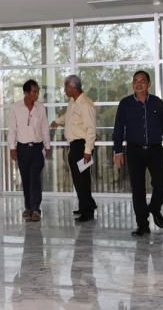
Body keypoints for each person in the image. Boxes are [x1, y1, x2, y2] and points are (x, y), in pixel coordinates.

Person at [113, 70, 163, 236]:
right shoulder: (125, 104)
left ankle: (154, 208)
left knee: (161, 183)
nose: (138, 84)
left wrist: (154, 134)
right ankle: (142, 225)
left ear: (149, 84)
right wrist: (118, 151)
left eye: (142, 80)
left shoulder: (157, 103)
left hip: (154, 150)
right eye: (135, 81)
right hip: (134, 151)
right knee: (137, 188)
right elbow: (118, 128)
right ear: (133, 84)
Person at [50, 75, 97, 222]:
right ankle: (87, 205)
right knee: (79, 179)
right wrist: (57, 121)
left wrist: (87, 151)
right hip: (74, 146)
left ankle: (87, 212)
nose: (64, 90)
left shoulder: (85, 104)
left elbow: (91, 129)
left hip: (82, 147)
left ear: (72, 87)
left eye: (66, 87)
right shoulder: (73, 102)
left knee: (82, 180)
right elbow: (67, 116)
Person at [8, 79, 51, 222]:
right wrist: (12, 148)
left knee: (35, 179)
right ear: (26, 92)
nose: (37, 94)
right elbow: (12, 130)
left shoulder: (41, 107)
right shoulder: (16, 107)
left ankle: (36, 209)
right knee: (26, 180)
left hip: (37, 148)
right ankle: (28, 207)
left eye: (38, 92)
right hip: (22, 149)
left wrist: (47, 146)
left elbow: (44, 128)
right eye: (34, 91)